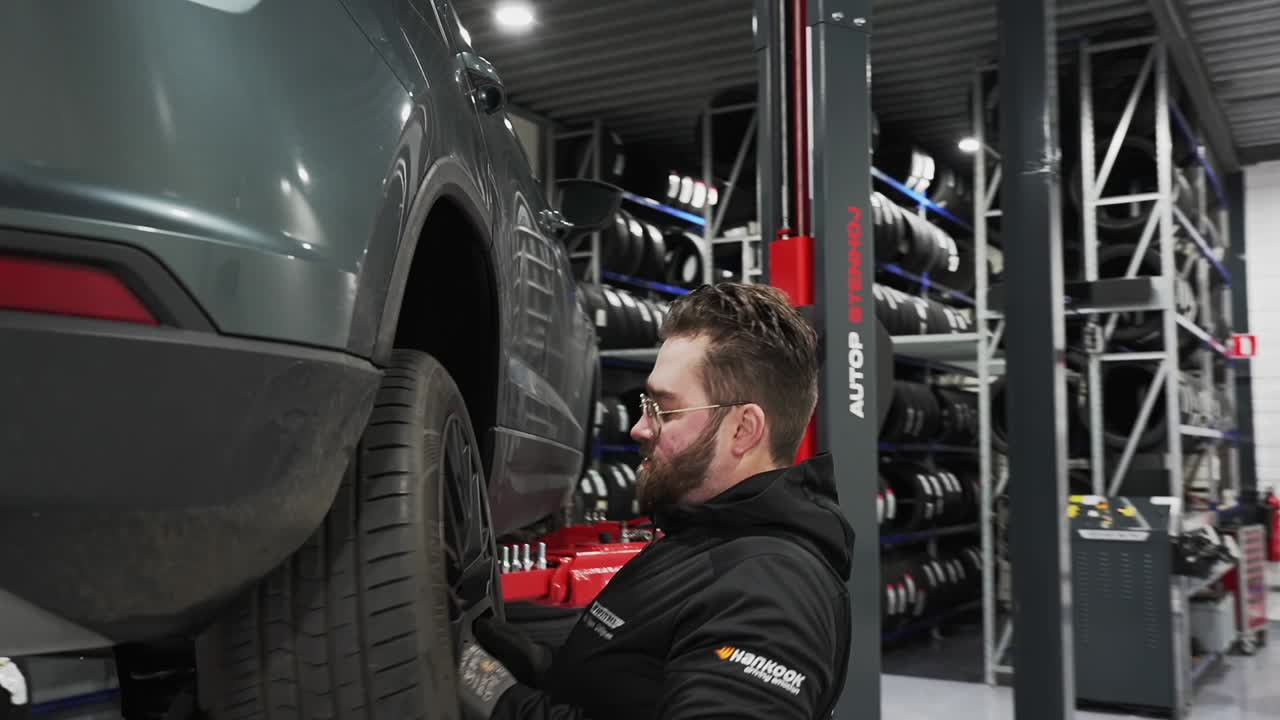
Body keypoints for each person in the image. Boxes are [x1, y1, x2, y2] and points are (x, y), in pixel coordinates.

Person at [458, 282, 855, 720]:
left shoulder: (774, 589)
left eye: (664, 410)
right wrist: (528, 664)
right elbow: (630, 687)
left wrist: (507, 705)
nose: (639, 429)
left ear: (744, 429)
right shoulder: (700, 537)